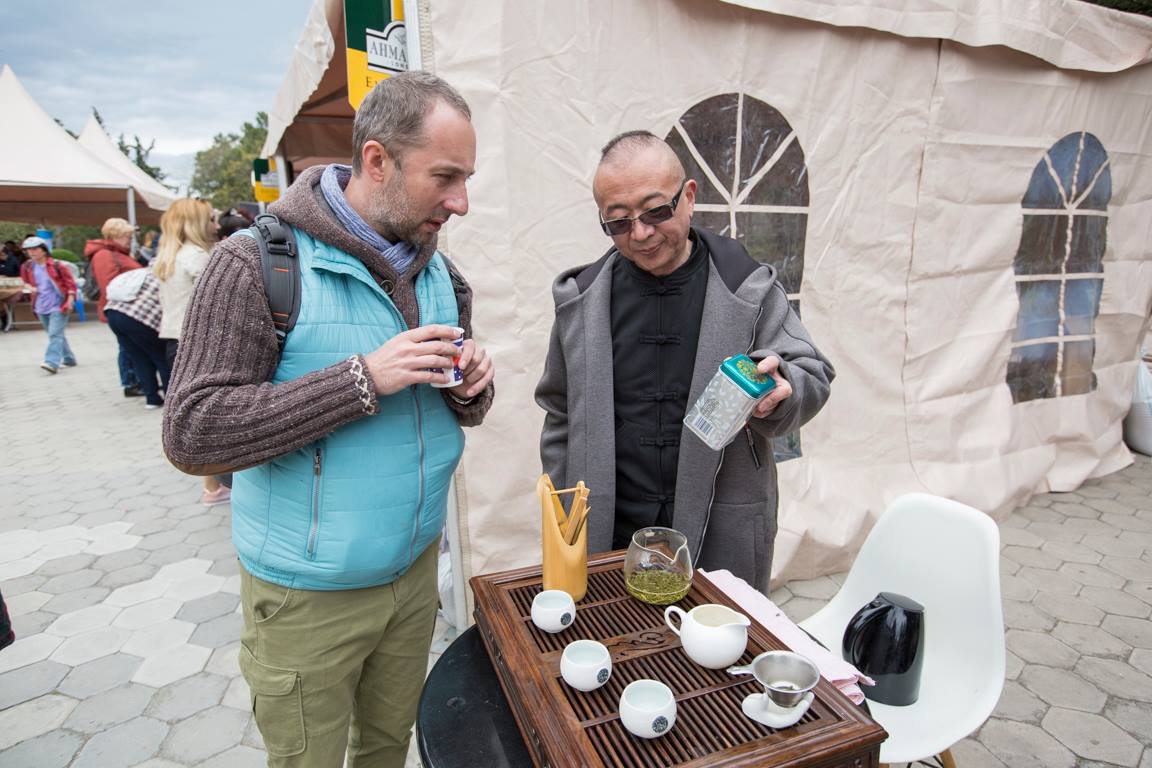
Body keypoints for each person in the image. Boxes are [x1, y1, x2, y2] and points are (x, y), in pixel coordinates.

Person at [162, 71, 495, 768]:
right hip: (307, 598)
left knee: (387, 748)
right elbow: (192, 432)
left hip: (413, 577)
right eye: (445, 177)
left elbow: (457, 408)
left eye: (466, 178)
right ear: (377, 160)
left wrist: (471, 389)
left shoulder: (444, 274)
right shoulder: (254, 262)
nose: (461, 203)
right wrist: (360, 380)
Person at [535, 130, 834, 593]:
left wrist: (783, 389)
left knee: (718, 635)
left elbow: (813, 373)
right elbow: (558, 409)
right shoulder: (582, 301)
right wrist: (563, 503)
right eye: (618, 222)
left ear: (689, 196)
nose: (640, 233)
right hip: (607, 529)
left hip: (721, 525)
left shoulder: (748, 290)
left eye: (656, 211)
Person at [85, 219, 144, 397]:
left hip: (128, 308)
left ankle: (136, 380)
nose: (129, 240)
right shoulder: (105, 255)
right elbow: (108, 285)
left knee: (130, 346)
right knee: (127, 347)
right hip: (121, 309)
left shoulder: (117, 253)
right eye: (127, 236)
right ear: (115, 235)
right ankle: (130, 382)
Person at [105, 270, 171, 409]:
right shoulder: (163, 275)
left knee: (139, 358)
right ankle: (171, 398)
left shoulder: (141, 273)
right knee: (160, 357)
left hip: (112, 313)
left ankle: (152, 399)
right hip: (137, 318)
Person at [19, 236, 78, 374]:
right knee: (55, 334)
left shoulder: (57, 265)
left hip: (59, 305)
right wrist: (30, 287)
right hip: (40, 306)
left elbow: (71, 285)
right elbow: (24, 282)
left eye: (35, 249)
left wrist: (70, 301)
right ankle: (69, 358)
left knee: (54, 334)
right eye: (28, 250)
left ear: (44, 250)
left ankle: (51, 362)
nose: (31, 252)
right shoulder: (26, 266)